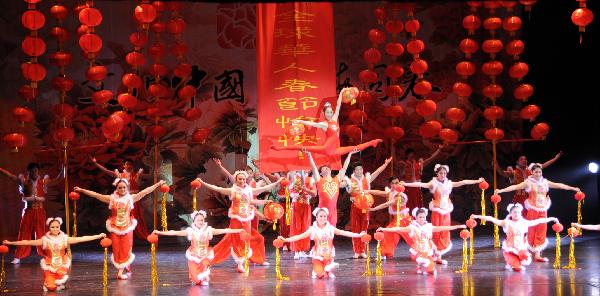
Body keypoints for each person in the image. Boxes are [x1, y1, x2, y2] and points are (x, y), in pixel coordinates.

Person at [75, 178, 166, 279]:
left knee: (126, 247)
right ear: (116, 188)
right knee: (117, 248)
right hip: (115, 227)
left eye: (124, 187)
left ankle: (120, 272)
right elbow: (96, 195)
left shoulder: (131, 198)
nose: (122, 189)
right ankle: (123, 266)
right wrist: (82, 190)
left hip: (127, 226)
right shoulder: (111, 198)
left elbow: (146, 191)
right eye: (120, 187)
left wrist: (158, 184)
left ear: (127, 187)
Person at [196, 172, 282, 272]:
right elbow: (217, 188)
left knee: (252, 239)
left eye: (243, 179)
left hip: (247, 220)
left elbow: (264, 189)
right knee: (238, 241)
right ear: (236, 180)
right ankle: (239, 264)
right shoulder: (232, 190)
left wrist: (278, 181)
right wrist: (202, 182)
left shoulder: (249, 190)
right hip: (236, 220)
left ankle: (258, 259)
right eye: (240, 179)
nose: (242, 181)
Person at [495, 163, 580, 262]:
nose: (538, 174)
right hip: (532, 209)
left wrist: (573, 188)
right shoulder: (528, 183)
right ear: (532, 172)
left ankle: (537, 254)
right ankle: (524, 251)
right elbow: (514, 187)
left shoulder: (545, 182)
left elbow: (560, 185)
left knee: (541, 231)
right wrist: (501, 191)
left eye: (540, 172)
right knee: (531, 230)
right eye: (536, 172)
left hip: (543, 210)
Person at [402, 164, 484, 264]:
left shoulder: (449, 183)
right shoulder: (433, 183)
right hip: (437, 210)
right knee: (436, 231)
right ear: (437, 173)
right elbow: (420, 184)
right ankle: (432, 254)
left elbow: (463, 182)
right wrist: (405, 184)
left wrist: (477, 181)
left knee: (444, 231)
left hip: (446, 211)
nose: (443, 175)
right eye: (441, 173)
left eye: (444, 173)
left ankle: (439, 255)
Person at [271, 87, 383, 156]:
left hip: (336, 150)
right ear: (324, 114)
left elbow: (338, 105)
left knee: (356, 148)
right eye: (328, 113)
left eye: (330, 112)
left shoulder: (334, 119)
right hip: (325, 149)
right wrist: (297, 120)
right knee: (301, 148)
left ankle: (373, 142)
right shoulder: (323, 124)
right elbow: (310, 123)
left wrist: (342, 92)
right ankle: (280, 148)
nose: (330, 114)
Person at [3, 217, 105, 291]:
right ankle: (49, 282)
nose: (55, 229)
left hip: (62, 266)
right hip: (50, 266)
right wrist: (11, 243)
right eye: (53, 227)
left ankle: (59, 281)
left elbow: (82, 239)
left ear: (59, 227)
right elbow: (27, 242)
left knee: (57, 285)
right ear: (49, 228)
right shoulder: (45, 240)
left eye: (57, 227)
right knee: (51, 287)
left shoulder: (65, 239)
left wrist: (98, 236)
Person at [152, 210, 244, 286]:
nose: (200, 222)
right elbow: (174, 232)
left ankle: (205, 274)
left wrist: (238, 230)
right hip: (194, 255)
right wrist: (160, 232)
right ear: (194, 222)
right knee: (196, 280)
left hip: (205, 255)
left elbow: (225, 230)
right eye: (198, 220)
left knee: (205, 265)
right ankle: (198, 277)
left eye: (202, 220)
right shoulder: (190, 231)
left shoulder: (209, 230)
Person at [0, 162, 64, 264]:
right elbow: (10, 176)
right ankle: (18, 256)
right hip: (28, 211)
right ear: (28, 172)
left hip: (40, 211)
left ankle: (46, 254)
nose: (34, 172)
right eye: (32, 171)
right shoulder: (24, 182)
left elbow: (58, 179)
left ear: (38, 172)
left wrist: (63, 169)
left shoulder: (43, 182)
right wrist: (1, 170)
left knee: (42, 234)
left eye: (36, 171)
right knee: (24, 233)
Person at [278, 207, 366, 279]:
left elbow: (344, 232)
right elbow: (299, 236)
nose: (323, 218)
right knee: (321, 275)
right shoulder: (312, 229)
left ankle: (328, 267)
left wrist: (358, 235)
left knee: (326, 267)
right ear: (316, 217)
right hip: (318, 257)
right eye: (320, 216)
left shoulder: (330, 228)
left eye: (324, 216)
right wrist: (286, 240)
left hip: (328, 256)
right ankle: (322, 270)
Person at [376, 208, 466, 275]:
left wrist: (457, 227)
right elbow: (398, 228)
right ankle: (422, 267)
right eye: (420, 217)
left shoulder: (429, 227)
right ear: (416, 217)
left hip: (427, 251)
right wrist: (384, 229)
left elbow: (443, 228)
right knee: (426, 262)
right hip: (416, 251)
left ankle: (420, 268)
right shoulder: (412, 227)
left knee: (431, 269)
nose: (422, 219)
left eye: (423, 217)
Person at [471, 204, 560, 272]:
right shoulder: (506, 223)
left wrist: (552, 218)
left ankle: (516, 262)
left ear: (520, 213)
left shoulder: (524, 222)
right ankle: (511, 262)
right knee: (517, 268)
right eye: (514, 212)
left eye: (518, 212)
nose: (516, 214)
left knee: (525, 256)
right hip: (510, 249)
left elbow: (539, 221)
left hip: (521, 249)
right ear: (511, 213)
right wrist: (477, 216)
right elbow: (491, 218)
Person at [91, 157, 150, 239]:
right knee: (122, 217)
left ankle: (136, 234)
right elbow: (106, 171)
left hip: (133, 200)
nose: (129, 166)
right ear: (124, 166)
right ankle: (120, 233)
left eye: (130, 164)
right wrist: (95, 163)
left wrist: (157, 172)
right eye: (127, 164)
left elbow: (149, 176)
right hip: (122, 201)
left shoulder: (136, 175)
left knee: (135, 217)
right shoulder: (120, 175)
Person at [345, 158, 392, 258]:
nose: (359, 171)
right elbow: (340, 184)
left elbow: (377, 172)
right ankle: (357, 251)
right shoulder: (350, 181)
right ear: (354, 171)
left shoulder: (367, 179)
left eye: (361, 169)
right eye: (357, 169)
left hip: (365, 208)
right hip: (355, 207)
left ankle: (362, 250)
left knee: (364, 228)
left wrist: (385, 164)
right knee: (355, 229)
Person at [305, 149, 356, 226]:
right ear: (321, 173)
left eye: (327, 167)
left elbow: (344, 168)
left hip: (333, 213)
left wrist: (350, 155)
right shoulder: (319, 180)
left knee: (331, 235)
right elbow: (314, 168)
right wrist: (309, 155)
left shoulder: (337, 179)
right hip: (322, 212)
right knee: (321, 234)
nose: (326, 167)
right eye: (324, 167)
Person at [367, 176, 412, 259]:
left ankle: (424, 251)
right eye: (392, 183)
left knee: (413, 238)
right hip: (397, 220)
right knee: (388, 234)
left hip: (405, 220)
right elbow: (379, 192)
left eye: (396, 183)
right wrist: (367, 191)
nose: (395, 185)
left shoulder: (400, 196)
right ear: (390, 184)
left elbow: (386, 204)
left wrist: (373, 209)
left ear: (399, 184)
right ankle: (385, 253)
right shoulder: (390, 193)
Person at [498, 152, 562, 209]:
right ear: (517, 162)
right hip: (519, 198)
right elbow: (503, 173)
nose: (524, 160)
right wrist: (497, 166)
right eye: (521, 159)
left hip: (531, 197)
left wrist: (555, 158)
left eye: (525, 159)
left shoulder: (532, 170)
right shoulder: (514, 172)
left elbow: (544, 165)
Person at [398, 145, 443, 209]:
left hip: (417, 188)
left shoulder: (418, 165)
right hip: (408, 188)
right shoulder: (403, 164)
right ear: (407, 156)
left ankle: (417, 217)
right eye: (410, 155)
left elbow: (431, 158)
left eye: (413, 155)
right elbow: (400, 172)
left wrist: (439, 149)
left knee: (417, 204)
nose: (412, 156)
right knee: (408, 204)